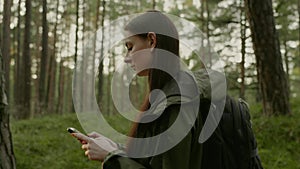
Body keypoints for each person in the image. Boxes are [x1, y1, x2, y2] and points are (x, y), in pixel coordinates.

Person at [72, 10, 208, 169]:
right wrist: (114, 149)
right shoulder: (166, 94)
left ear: (151, 41)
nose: (126, 57)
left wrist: (111, 157)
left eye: (130, 47)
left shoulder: (178, 103)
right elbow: (154, 161)